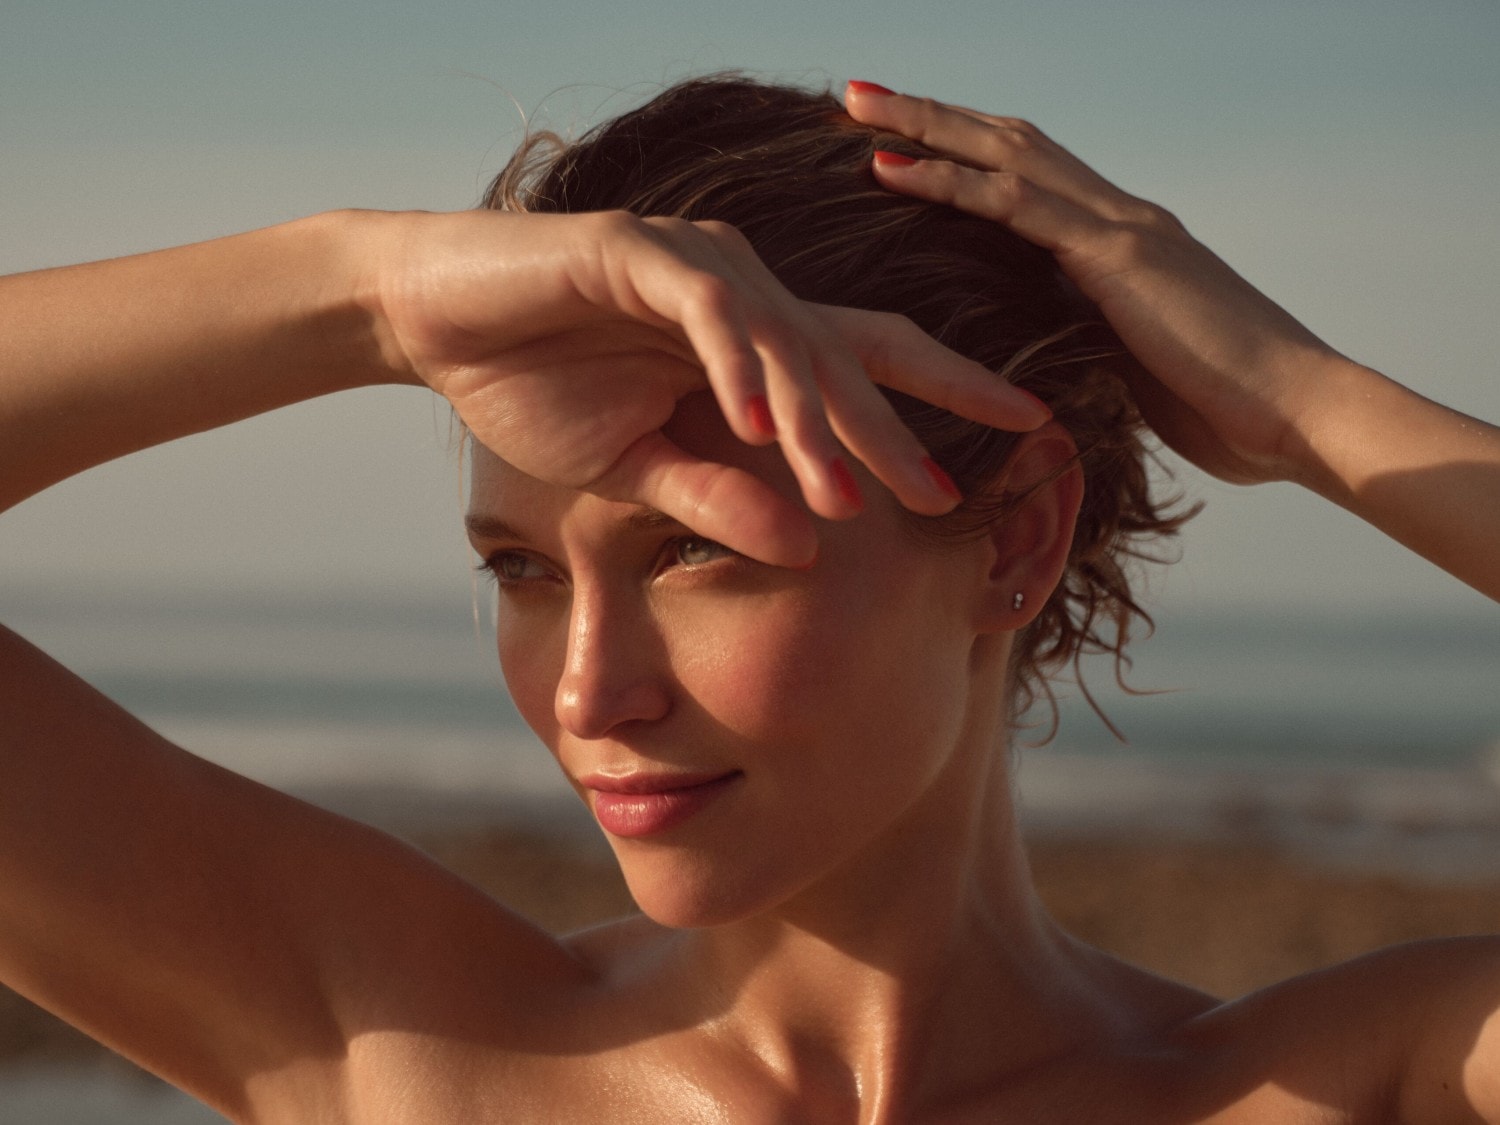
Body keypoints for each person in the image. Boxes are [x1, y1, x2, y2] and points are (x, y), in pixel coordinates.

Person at [1, 72, 1497, 1123]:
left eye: (695, 552)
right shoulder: (407, 1052)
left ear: (1013, 540)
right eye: (519, 569)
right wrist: (364, 295)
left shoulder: (1355, 1085)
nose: (590, 694)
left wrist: (1309, 404)